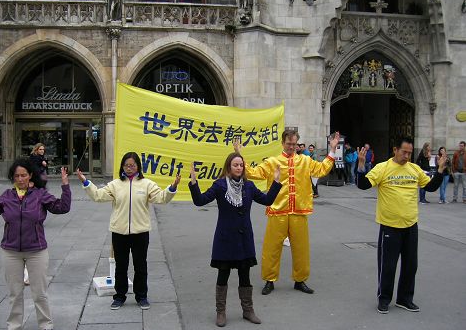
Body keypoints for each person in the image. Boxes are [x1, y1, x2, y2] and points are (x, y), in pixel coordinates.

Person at [234, 130, 339, 296]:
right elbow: (253, 173)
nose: (291, 147)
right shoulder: (272, 162)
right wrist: (239, 155)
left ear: (297, 144)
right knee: (271, 248)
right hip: (278, 210)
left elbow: (322, 169)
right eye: (289, 144)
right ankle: (269, 280)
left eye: (294, 144)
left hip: (299, 210)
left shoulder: (305, 161)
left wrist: (333, 150)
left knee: (301, 248)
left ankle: (300, 280)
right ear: (283, 143)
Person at [76, 152, 181, 311]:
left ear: (138, 166)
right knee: (121, 266)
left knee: (140, 266)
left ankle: (141, 296)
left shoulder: (147, 184)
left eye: (132, 165)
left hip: (140, 233)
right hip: (119, 233)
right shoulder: (115, 184)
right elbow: (98, 196)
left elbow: (160, 198)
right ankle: (119, 296)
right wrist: (86, 182)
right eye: (126, 165)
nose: (129, 168)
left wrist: (172, 188)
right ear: (122, 167)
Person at [0, 159, 71, 330]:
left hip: (37, 251)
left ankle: (46, 325)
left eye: (24, 175)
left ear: (30, 176)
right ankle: (14, 326)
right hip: (11, 252)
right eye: (17, 176)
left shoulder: (40, 194)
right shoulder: (7, 196)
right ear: (13, 177)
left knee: (40, 293)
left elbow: (62, 208)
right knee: (15, 294)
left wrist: (65, 187)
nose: (20, 179)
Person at [188, 153, 282, 327]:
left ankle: (248, 310)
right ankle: (220, 312)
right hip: (225, 238)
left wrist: (276, 182)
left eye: (241, 165)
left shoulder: (249, 186)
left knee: (244, 275)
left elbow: (267, 200)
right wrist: (194, 183)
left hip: (244, 238)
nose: (239, 168)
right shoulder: (220, 185)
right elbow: (199, 201)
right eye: (235, 165)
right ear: (228, 167)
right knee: (223, 275)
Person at [356, 136, 445, 314]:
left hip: (411, 225)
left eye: (409, 153)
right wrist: (360, 164)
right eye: (404, 152)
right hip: (390, 226)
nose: (406, 156)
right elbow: (362, 184)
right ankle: (384, 298)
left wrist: (441, 170)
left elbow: (430, 187)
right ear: (395, 150)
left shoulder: (415, 169)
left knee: (411, 265)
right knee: (388, 265)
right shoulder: (383, 168)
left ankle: (405, 299)